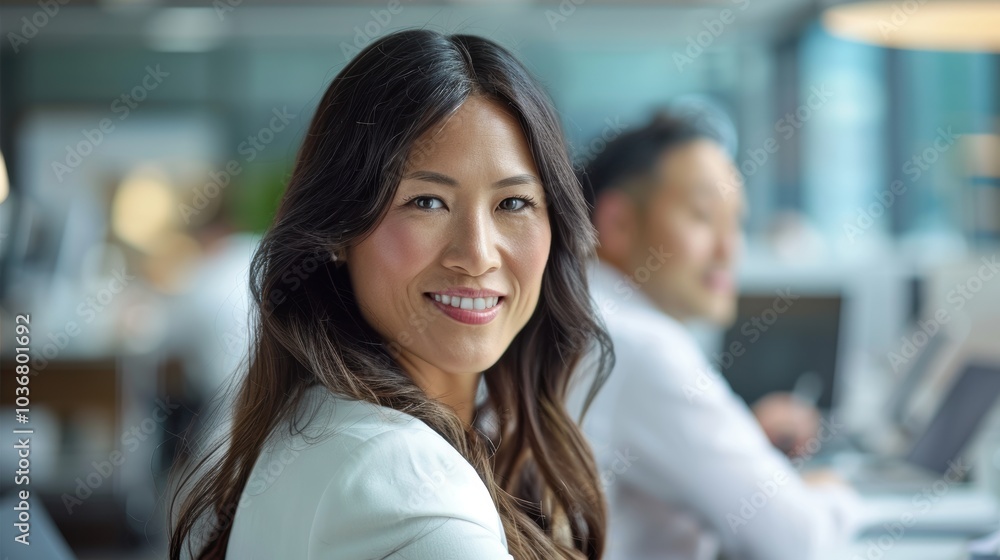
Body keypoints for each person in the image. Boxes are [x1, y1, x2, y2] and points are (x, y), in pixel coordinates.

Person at [168, 29, 613, 560]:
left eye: (513, 204)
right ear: (337, 233)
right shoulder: (404, 486)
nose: (476, 255)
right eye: (426, 202)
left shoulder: (318, 422)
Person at [567, 112, 859, 560]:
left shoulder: (585, 314)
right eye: (704, 216)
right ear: (619, 223)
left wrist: (746, 441)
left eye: (736, 221)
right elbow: (803, 543)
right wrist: (838, 490)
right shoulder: (640, 344)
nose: (728, 248)